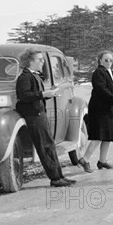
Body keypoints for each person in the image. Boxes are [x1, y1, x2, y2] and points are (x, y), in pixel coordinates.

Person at [15, 48, 76, 187]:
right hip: (34, 116)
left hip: (39, 114)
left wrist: (47, 93)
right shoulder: (24, 77)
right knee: (44, 147)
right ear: (30, 61)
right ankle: (55, 178)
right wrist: (44, 94)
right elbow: (24, 96)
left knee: (49, 145)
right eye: (40, 59)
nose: (42, 62)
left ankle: (59, 176)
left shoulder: (33, 75)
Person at [78, 50, 113, 173]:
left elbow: (108, 89)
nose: (109, 62)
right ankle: (84, 159)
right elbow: (101, 90)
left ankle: (102, 161)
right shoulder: (98, 72)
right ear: (99, 60)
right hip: (99, 109)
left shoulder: (110, 72)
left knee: (107, 136)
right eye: (106, 60)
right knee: (99, 136)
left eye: (111, 60)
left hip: (107, 108)